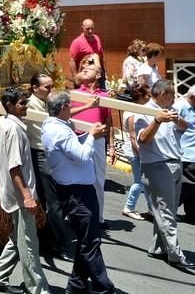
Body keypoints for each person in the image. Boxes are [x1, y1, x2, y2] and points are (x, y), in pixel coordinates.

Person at [41, 91, 131, 294]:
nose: (71, 109)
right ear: (63, 108)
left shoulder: (57, 125)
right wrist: (92, 135)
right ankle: (104, 291)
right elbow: (81, 155)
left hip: (79, 190)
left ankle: (77, 283)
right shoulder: (58, 130)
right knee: (91, 242)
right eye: (69, 106)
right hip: (76, 192)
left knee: (86, 239)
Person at [0, 92, 65, 294]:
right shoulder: (14, 130)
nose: (26, 106)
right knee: (29, 243)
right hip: (20, 196)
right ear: (9, 105)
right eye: (21, 103)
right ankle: (38, 291)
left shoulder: (4, 122)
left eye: (25, 102)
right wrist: (27, 196)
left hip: (12, 195)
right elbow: (14, 167)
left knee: (17, 239)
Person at [135, 80, 194, 269]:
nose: (174, 99)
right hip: (157, 165)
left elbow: (185, 127)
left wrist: (176, 119)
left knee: (167, 209)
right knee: (167, 212)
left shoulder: (170, 110)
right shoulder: (145, 111)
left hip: (175, 162)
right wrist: (157, 120)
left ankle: (158, 248)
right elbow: (143, 139)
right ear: (163, 94)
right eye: (172, 95)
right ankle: (175, 255)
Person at [26, 74, 73, 260]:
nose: (51, 90)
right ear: (35, 88)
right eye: (47, 87)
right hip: (40, 154)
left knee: (57, 199)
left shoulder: (47, 102)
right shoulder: (30, 105)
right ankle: (59, 243)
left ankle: (53, 237)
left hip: (52, 153)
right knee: (53, 202)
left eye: (52, 86)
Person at [71, 66, 114, 227]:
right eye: (83, 68)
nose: (84, 69)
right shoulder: (74, 94)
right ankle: (76, 215)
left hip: (97, 140)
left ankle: (98, 217)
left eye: (89, 69)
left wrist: (111, 147)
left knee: (98, 179)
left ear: (98, 75)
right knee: (76, 178)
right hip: (76, 138)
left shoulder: (104, 96)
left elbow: (108, 122)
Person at [121, 84, 152, 221]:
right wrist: (141, 154)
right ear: (141, 96)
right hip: (135, 152)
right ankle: (129, 207)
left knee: (145, 182)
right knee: (139, 181)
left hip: (137, 151)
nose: (150, 97)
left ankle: (151, 209)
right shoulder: (133, 113)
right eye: (148, 95)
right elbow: (133, 137)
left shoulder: (136, 109)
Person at [68, 19, 106, 90]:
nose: (90, 31)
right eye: (87, 29)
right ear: (82, 28)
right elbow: (72, 60)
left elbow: (101, 56)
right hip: (85, 77)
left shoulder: (97, 38)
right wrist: (75, 77)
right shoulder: (77, 42)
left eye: (92, 28)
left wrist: (105, 72)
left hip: (97, 76)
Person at [176, 86, 195, 223]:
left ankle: (191, 214)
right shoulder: (180, 107)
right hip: (186, 154)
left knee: (192, 188)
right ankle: (165, 211)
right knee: (186, 186)